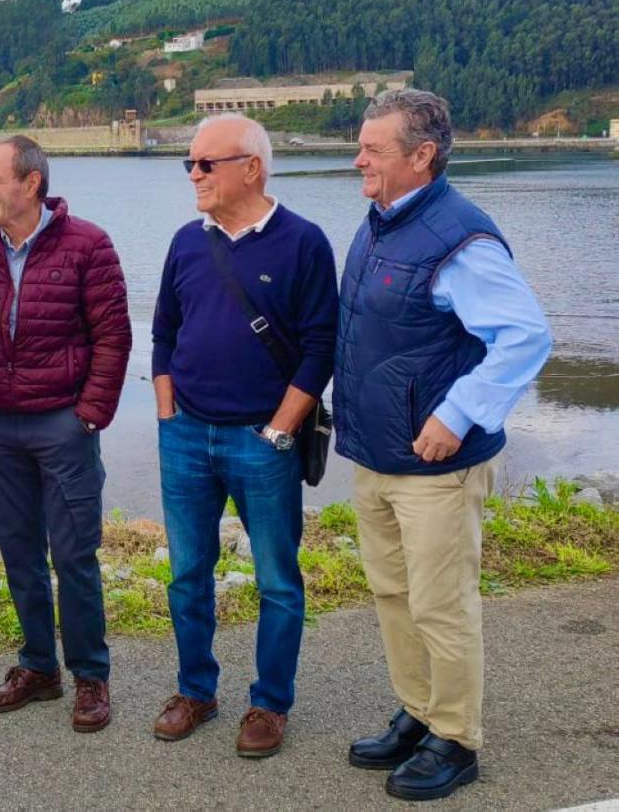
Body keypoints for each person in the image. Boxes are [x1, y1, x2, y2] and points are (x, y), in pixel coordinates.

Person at [335, 89, 551, 802]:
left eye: (373, 149)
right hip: (379, 454)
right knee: (394, 594)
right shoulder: (381, 222)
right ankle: (421, 712)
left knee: (440, 604)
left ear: (421, 156)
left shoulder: (462, 237)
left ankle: (456, 740)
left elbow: (524, 336)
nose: (358, 158)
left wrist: (459, 415)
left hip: (435, 464)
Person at [150, 115, 337, 757]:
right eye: (190, 164)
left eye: (206, 164)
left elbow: (320, 349)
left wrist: (279, 430)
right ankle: (196, 691)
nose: (194, 175)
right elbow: (163, 335)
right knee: (186, 575)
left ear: (250, 167)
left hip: (262, 441)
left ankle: (269, 705)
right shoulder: (185, 241)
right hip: (186, 437)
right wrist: (167, 415)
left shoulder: (303, 242)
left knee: (278, 580)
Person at [0, 135, 132, 733]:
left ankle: (90, 676)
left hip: (63, 423)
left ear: (30, 183)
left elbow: (114, 337)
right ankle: (38, 667)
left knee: (75, 554)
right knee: (18, 551)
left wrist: (89, 414)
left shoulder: (89, 244)